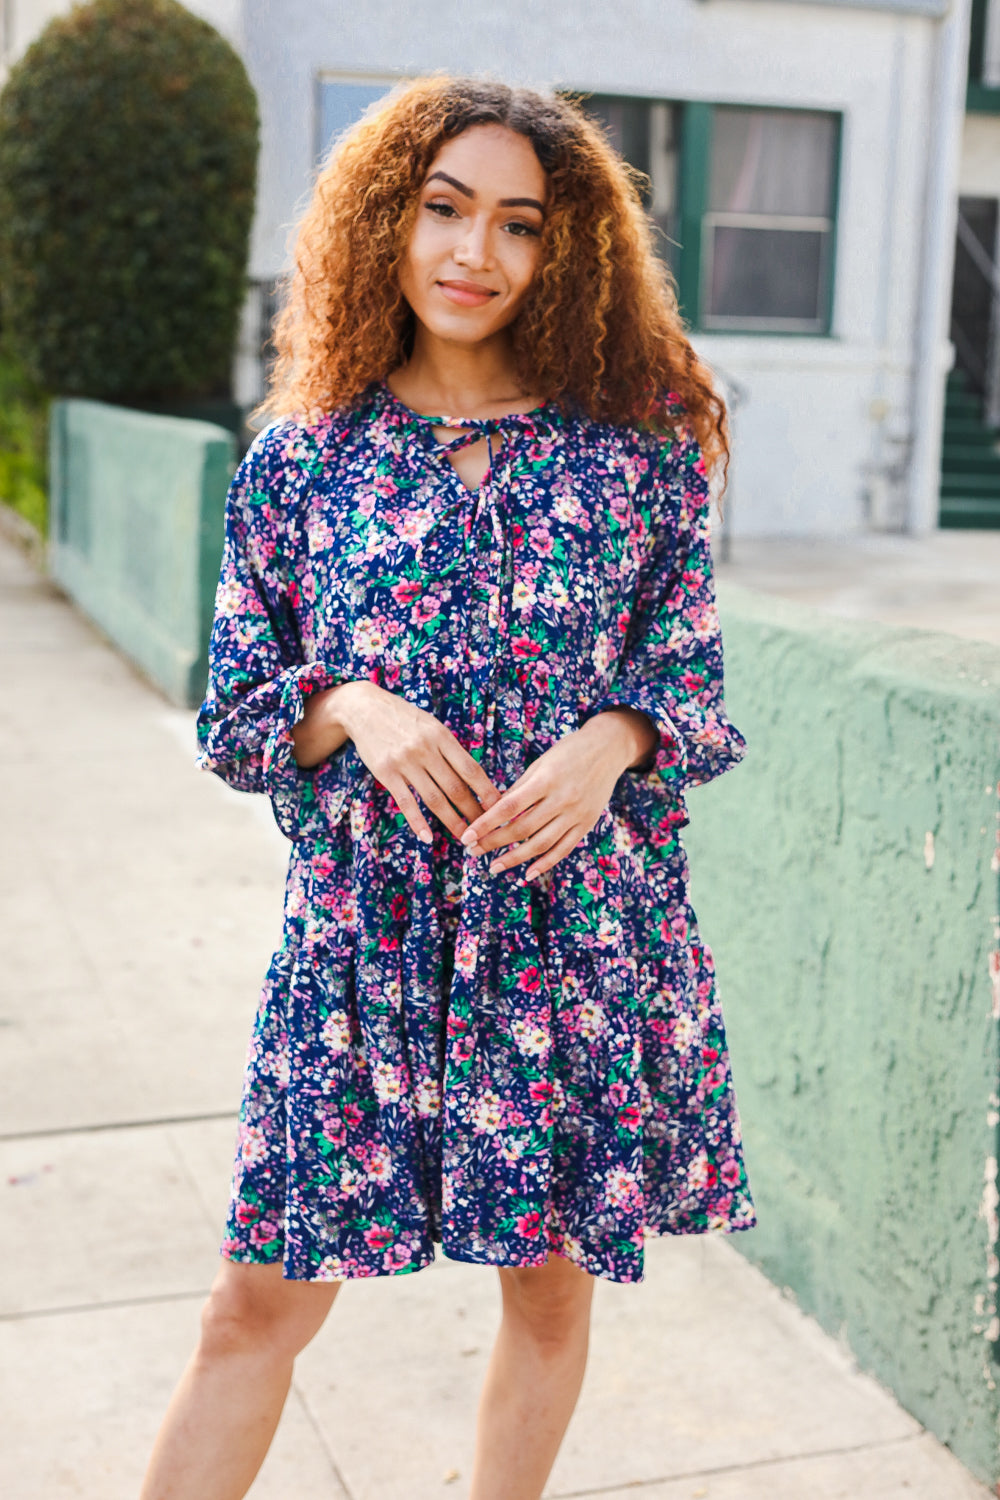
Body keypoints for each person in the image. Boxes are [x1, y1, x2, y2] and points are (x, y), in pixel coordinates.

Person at [140, 75, 755, 1500]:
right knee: (252, 1308)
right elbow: (235, 719)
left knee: (546, 1293)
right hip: (363, 943)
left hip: (569, 939)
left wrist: (614, 740)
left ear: (564, 249)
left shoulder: (638, 448)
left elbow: (690, 684)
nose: (476, 252)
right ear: (387, 223)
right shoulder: (303, 458)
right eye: (443, 209)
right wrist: (352, 706)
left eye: (519, 224)